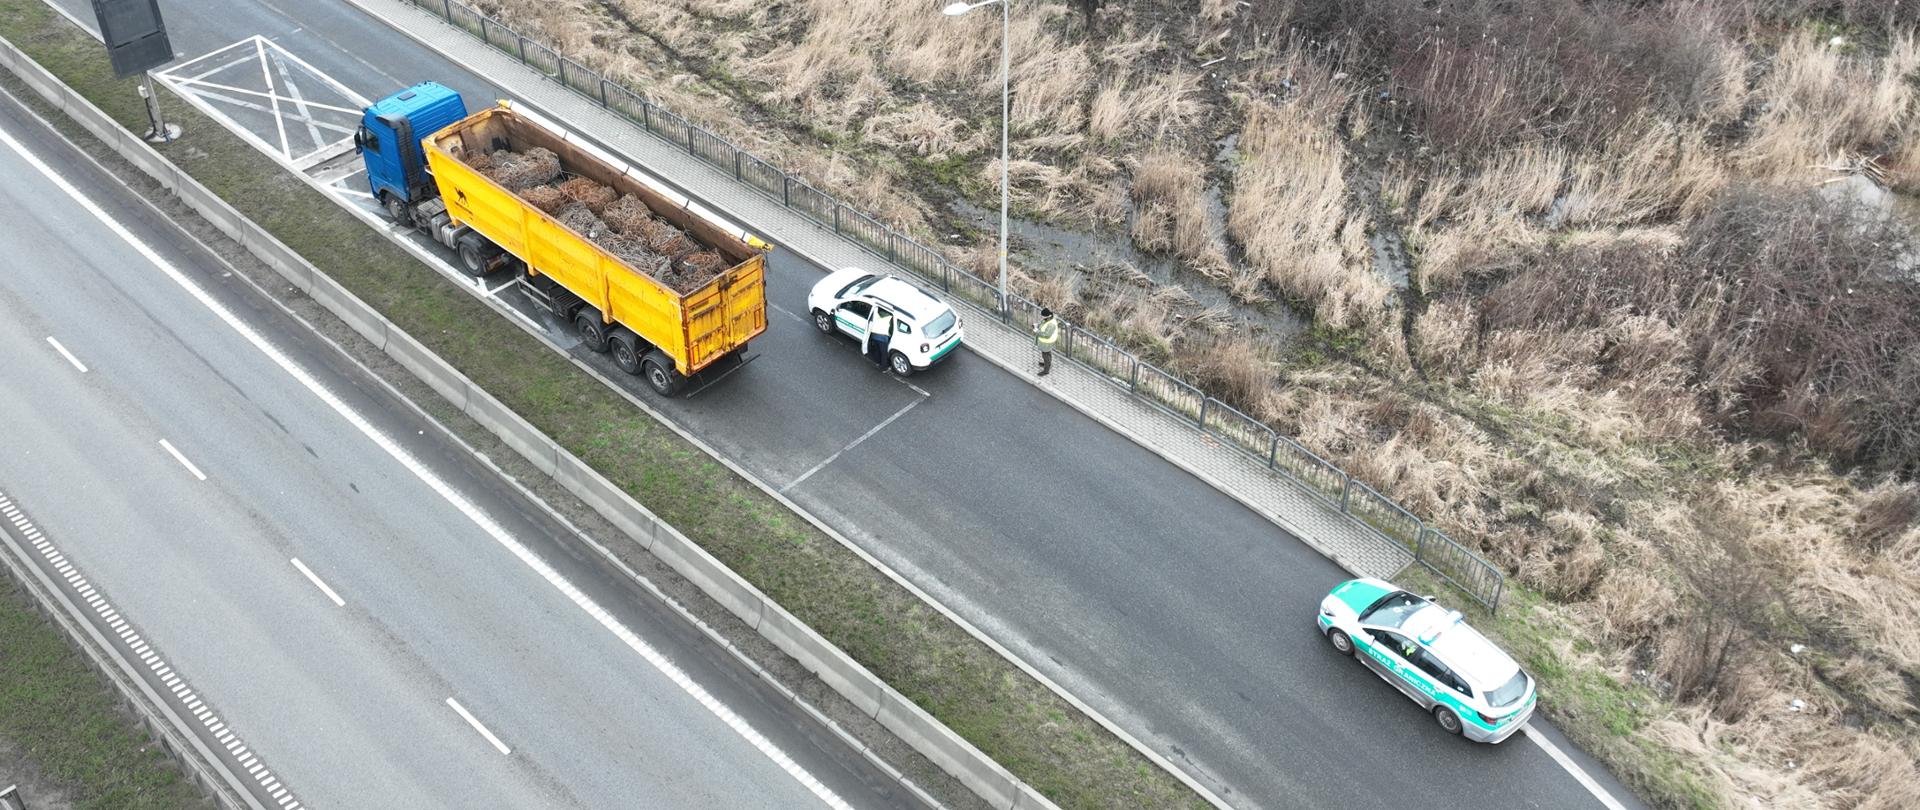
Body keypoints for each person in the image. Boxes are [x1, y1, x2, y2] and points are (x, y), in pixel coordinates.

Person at [1033, 307, 1060, 376]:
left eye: (1042, 316)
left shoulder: (1051, 324)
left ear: (1046, 316)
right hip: (1045, 342)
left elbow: (1047, 335)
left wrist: (1037, 331)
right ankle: (1047, 364)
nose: (1041, 317)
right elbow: (1043, 324)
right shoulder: (1048, 319)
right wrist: (1037, 325)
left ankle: (1046, 370)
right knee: (1047, 353)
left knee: (1045, 355)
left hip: (1047, 342)